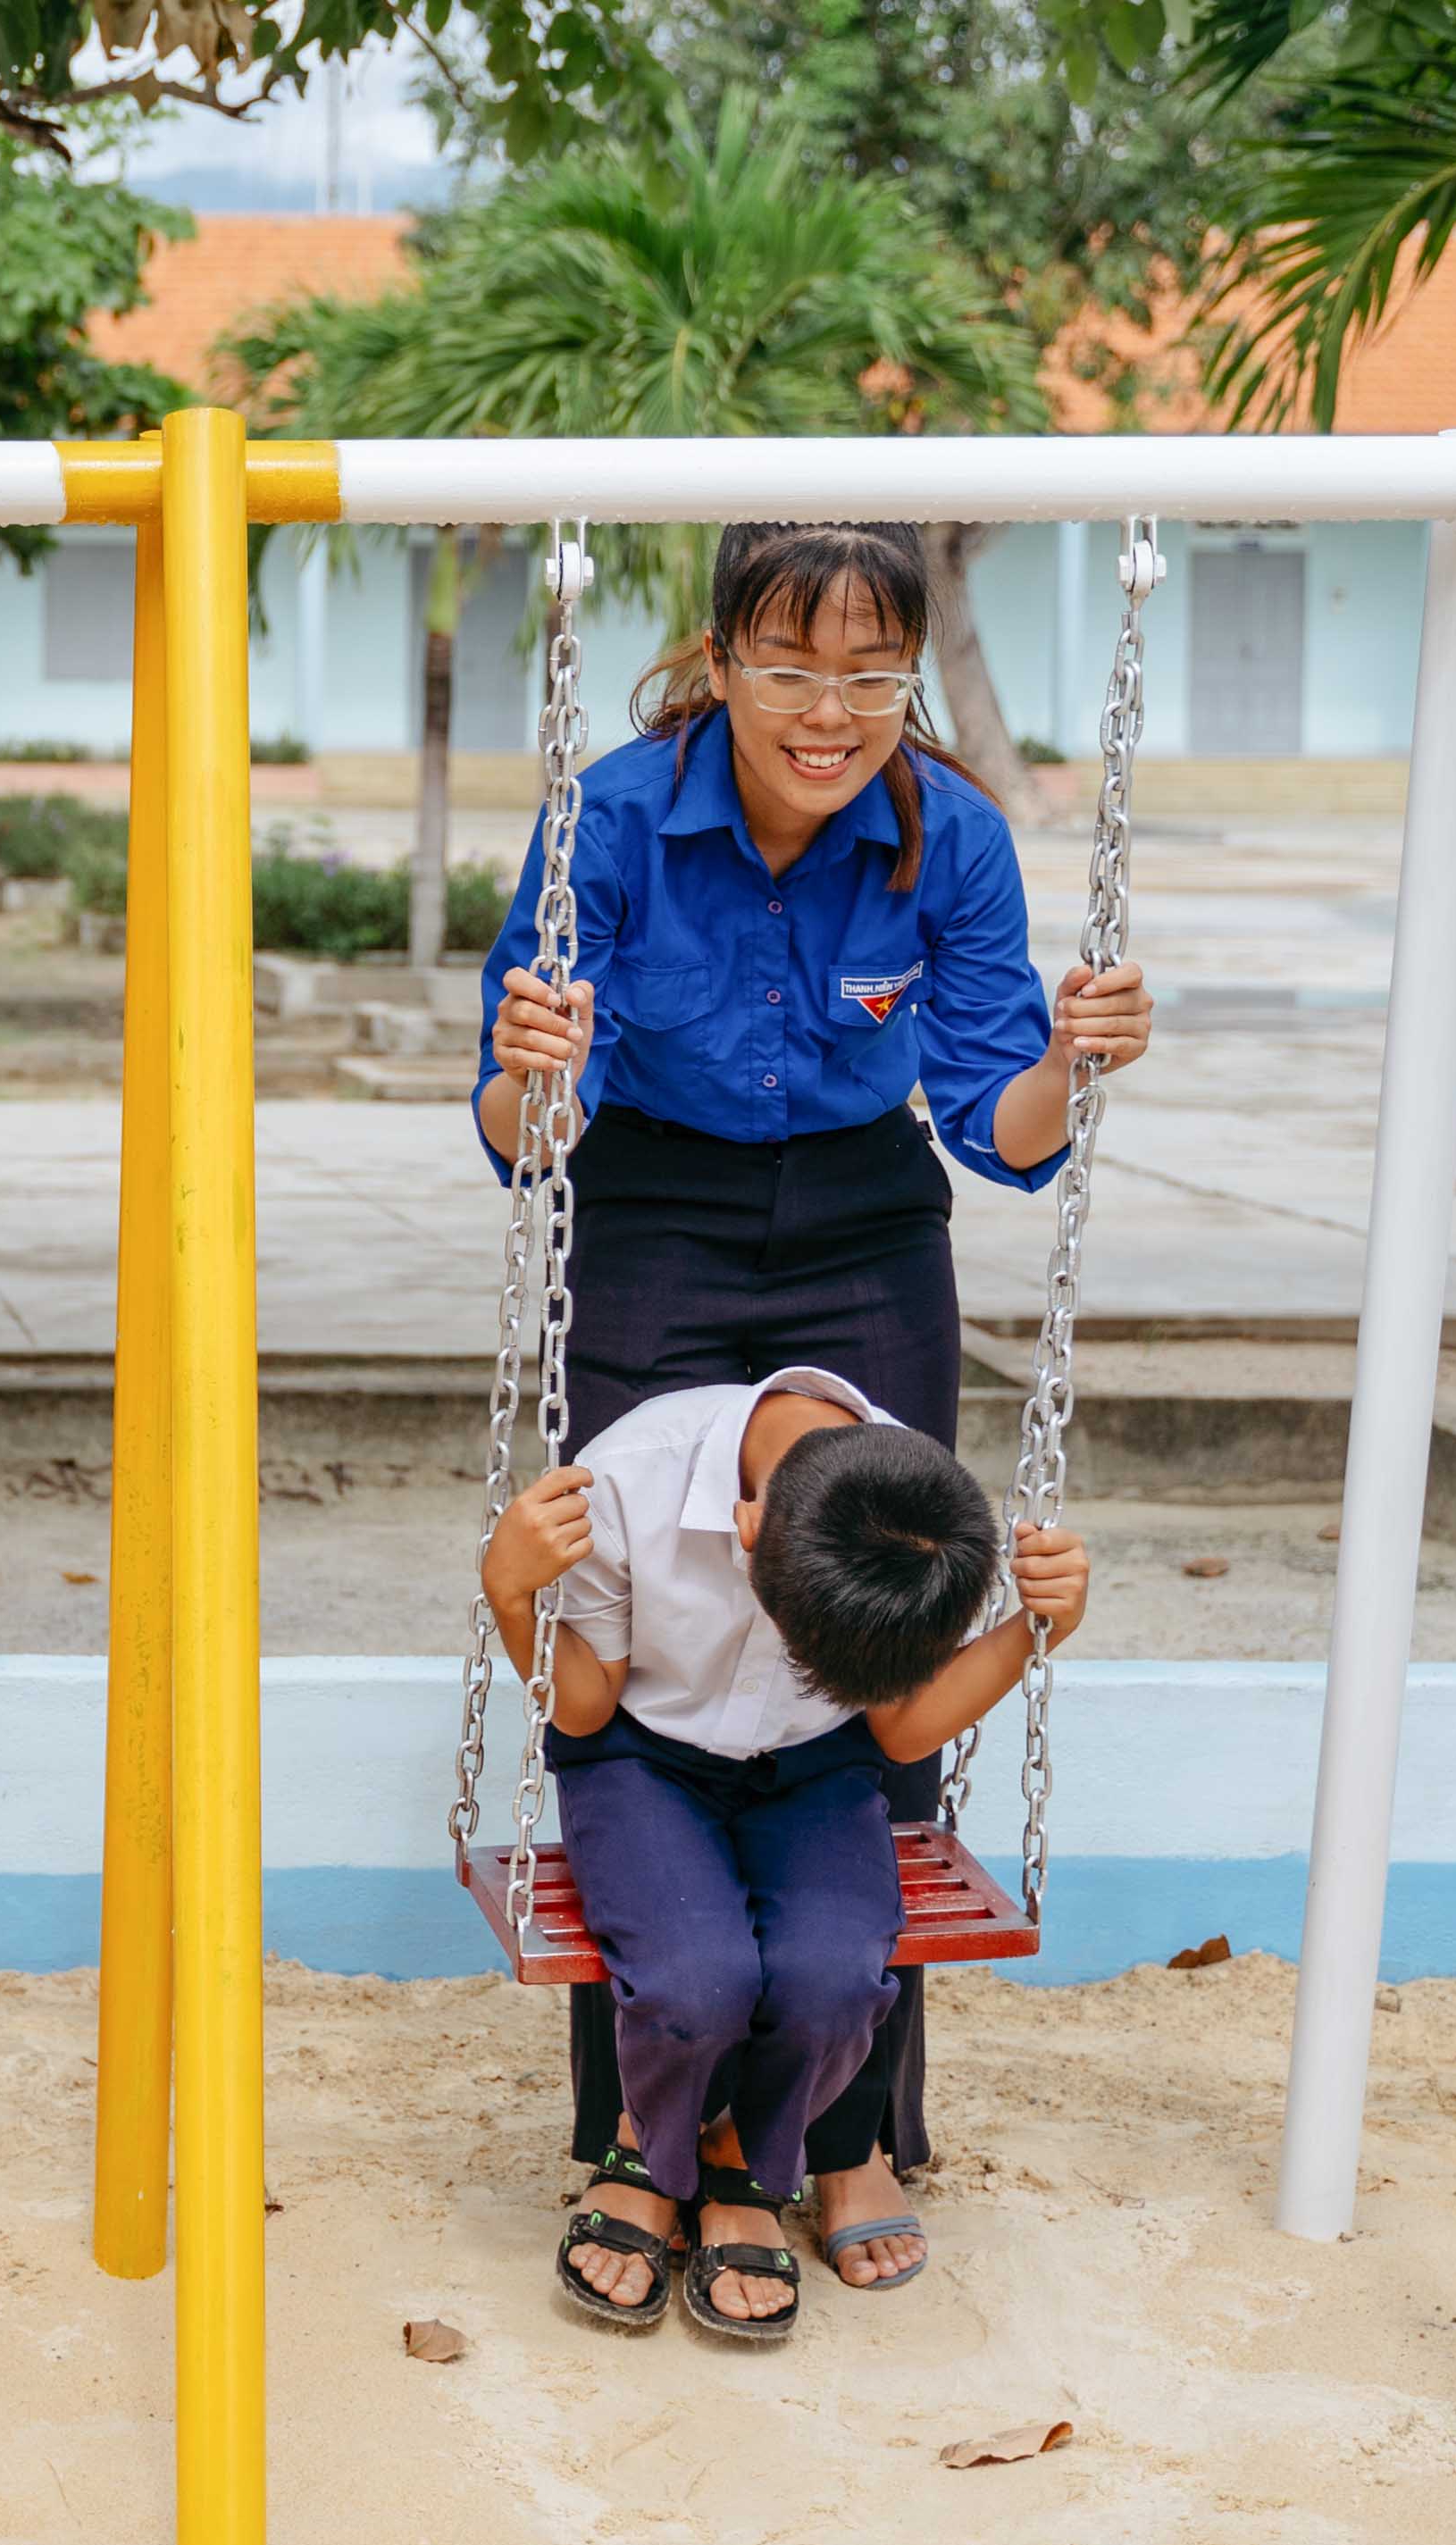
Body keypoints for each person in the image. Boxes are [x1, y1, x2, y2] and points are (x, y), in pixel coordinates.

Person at [472, 520, 1152, 2293]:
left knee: (874, 1603)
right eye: (791, 667)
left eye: (870, 674)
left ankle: (845, 2129)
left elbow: (996, 1131)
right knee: (634, 1583)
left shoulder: (951, 834)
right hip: (652, 1214)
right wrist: (530, 1082)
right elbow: (520, 1130)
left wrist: (1069, 1064)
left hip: (861, 1224)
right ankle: (652, 2132)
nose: (830, 711)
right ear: (717, 663)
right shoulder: (614, 818)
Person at [483, 1369, 1089, 2342]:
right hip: (641, 1755)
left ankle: (731, 2159)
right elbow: (587, 1706)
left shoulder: (916, 1515)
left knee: (832, 1982)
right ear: (749, 1531)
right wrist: (510, 1592)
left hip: (815, 1766)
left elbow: (895, 1732)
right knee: (692, 1986)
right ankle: (647, 2152)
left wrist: (1034, 1629)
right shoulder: (629, 1481)